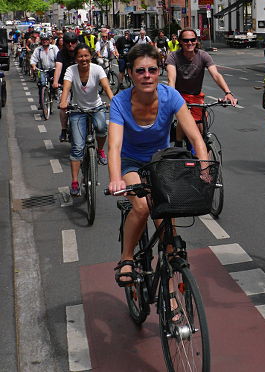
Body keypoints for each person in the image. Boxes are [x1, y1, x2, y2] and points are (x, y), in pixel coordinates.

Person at [107, 43, 209, 287]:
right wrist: (115, 178)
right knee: (142, 207)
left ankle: (172, 300)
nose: (147, 76)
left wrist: (204, 168)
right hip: (131, 162)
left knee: (169, 230)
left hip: (161, 161)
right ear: (130, 72)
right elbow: (115, 147)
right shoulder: (120, 102)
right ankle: (127, 258)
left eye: (152, 70)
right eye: (140, 71)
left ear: (159, 71)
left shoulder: (170, 96)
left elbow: (195, 137)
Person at [57, 44, 114, 196]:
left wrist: (113, 100)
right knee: (77, 147)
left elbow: (106, 86)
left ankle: (100, 150)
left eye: (86, 56)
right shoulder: (71, 70)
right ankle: (75, 182)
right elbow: (67, 88)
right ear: (76, 58)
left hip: (96, 107)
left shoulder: (97, 69)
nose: (84, 59)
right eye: (80, 56)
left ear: (91, 56)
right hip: (77, 109)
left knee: (102, 128)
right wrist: (63, 102)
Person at [165, 28, 237, 143]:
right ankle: (178, 145)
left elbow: (216, 75)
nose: (189, 43)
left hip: (196, 96)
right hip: (179, 96)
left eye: (192, 40)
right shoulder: (173, 57)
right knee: (184, 120)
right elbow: (171, 78)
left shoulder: (203, 56)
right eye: (186, 40)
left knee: (202, 126)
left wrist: (227, 93)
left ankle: (204, 154)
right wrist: (171, 97)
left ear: (197, 41)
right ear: (180, 42)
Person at [54, 32, 79, 143]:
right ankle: (64, 129)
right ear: (64, 43)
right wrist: (55, 82)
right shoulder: (61, 53)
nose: (70, 45)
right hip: (64, 84)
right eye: (68, 42)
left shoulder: (80, 51)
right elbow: (58, 68)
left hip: (79, 84)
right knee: (64, 106)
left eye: (73, 42)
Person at [30, 33, 59, 109]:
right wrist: (33, 66)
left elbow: (58, 58)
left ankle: (53, 95)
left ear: (49, 40)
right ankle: (41, 103)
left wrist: (57, 66)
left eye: (46, 40)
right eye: (43, 40)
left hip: (53, 70)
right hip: (42, 70)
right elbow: (33, 59)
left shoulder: (54, 48)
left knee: (54, 84)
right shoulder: (38, 50)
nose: (45, 42)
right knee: (41, 85)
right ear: (41, 41)